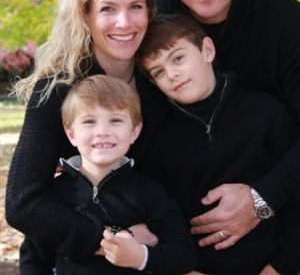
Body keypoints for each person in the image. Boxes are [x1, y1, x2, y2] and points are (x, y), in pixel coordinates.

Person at [5, 0, 171, 269]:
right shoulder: (57, 89)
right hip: (64, 262)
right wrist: (109, 239)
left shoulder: (161, 84)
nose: (125, 22)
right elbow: (23, 203)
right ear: (85, 15)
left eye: (135, 7)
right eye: (108, 8)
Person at [155, 0, 300, 252]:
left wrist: (261, 199)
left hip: (286, 221)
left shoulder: (287, 24)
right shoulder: (150, 29)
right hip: (175, 239)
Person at [136, 14, 300, 275]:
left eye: (178, 58)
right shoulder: (160, 142)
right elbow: (161, 218)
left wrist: (281, 266)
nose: (172, 74)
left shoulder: (265, 113)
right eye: (159, 72)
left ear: (207, 50)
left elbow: (294, 196)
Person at [24, 74, 198, 274]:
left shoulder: (148, 192)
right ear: (71, 134)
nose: (102, 131)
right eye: (89, 121)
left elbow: (185, 253)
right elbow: (33, 259)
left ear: (134, 132)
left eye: (115, 120)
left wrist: (141, 257)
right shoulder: (54, 195)